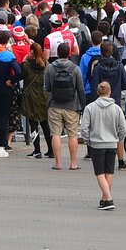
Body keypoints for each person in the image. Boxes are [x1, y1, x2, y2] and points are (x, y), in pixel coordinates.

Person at [81, 82, 126, 210]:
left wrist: (87, 140)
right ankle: (104, 199)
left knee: (99, 173)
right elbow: (123, 128)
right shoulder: (116, 108)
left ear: (97, 92)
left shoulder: (90, 108)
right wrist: (119, 138)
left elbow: (84, 128)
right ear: (110, 92)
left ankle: (108, 198)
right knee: (109, 172)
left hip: (97, 143)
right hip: (112, 143)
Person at [44, 42, 85, 170]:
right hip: (72, 106)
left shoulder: (50, 68)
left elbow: (47, 87)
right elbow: (81, 89)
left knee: (55, 134)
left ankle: (58, 163)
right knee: (72, 135)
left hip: (55, 105)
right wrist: (82, 106)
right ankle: (73, 163)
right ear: (69, 54)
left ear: (57, 53)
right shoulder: (75, 68)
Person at [21, 42, 53, 158]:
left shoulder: (27, 66)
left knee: (33, 123)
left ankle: (37, 150)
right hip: (44, 96)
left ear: (31, 52)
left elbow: (20, 75)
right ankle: (51, 149)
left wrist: (24, 60)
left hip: (30, 97)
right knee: (45, 124)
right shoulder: (46, 64)